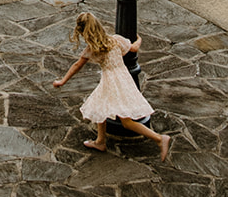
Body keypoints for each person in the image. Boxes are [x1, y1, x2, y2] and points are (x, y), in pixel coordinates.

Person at [52, 10, 170, 161]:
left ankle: (160, 139)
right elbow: (133, 48)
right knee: (100, 106)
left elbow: (77, 66)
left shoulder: (92, 49)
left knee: (126, 122)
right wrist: (139, 39)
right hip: (122, 78)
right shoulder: (115, 40)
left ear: (83, 32)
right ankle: (100, 142)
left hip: (112, 83)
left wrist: (62, 81)